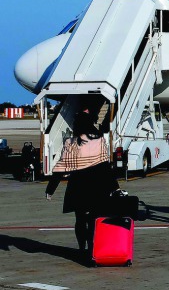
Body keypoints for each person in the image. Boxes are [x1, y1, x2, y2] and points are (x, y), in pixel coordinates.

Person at [45, 108, 119, 259]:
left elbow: (61, 167)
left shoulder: (71, 143)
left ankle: (81, 248)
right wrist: (115, 187)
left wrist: (50, 189)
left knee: (80, 220)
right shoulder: (99, 141)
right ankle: (92, 249)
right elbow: (106, 168)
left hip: (78, 186)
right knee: (94, 219)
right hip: (97, 186)